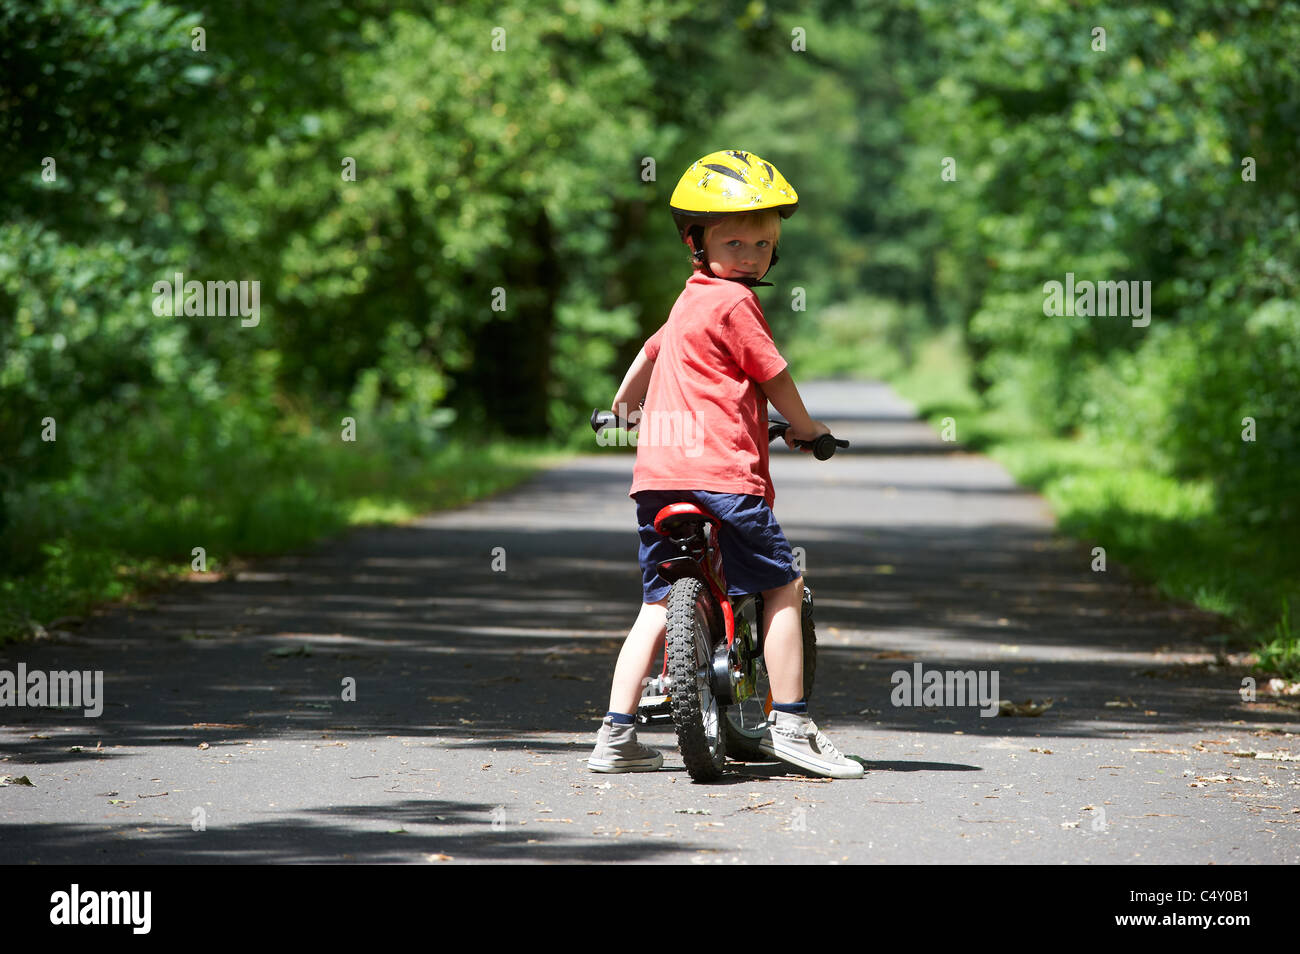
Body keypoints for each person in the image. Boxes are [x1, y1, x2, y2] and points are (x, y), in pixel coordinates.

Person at [586, 149, 864, 778]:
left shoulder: (686, 303)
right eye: (734, 240)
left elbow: (644, 364)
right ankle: (791, 724)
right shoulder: (738, 306)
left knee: (657, 605)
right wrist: (805, 427)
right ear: (697, 241)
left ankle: (615, 735)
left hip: (657, 483)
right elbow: (774, 373)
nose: (749, 255)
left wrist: (623, 411)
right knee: (780, 585)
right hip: (725, 480)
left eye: (763, 244)